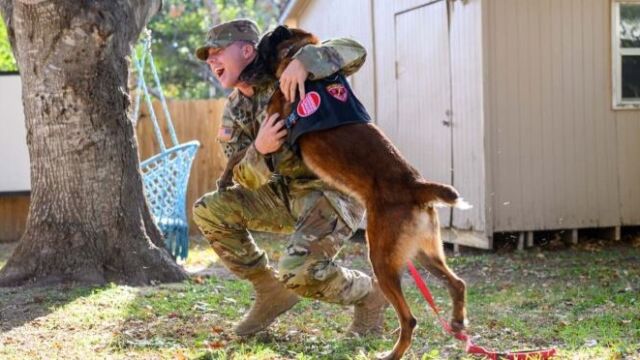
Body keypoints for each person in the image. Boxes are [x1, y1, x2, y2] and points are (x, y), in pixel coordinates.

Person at [192, 19, 387, 337]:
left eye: (217, 52)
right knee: (208, 209)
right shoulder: (234, 110)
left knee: (299, 272)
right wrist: (260, 148)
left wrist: (305, 62)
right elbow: (242, 176)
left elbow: (356, 51)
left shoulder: (285, 67)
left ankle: (370, 295)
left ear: (246, 50)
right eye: (208, 56)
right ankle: (270, 290)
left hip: (332, 190)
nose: (211, 60)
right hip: (283, 193)